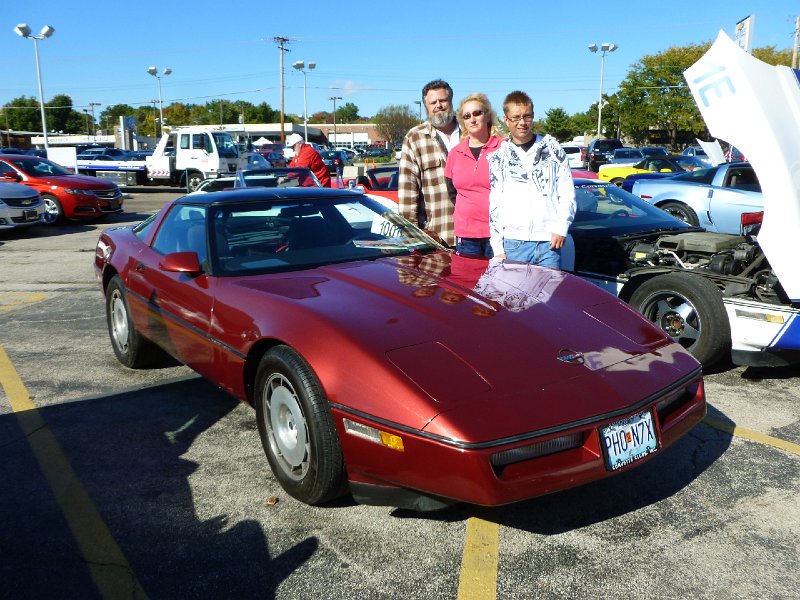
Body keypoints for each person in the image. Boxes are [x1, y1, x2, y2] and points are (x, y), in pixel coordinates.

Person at [488, 91, 576, 268]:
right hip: (513, 244)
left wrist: (561, 228)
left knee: (548, 296)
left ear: (533, 116)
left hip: (548, 244)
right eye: (516, 117)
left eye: (527, 116)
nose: (522, 123)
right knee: (514, 296)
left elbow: (567, 193)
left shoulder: (553, 149)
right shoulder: (499, 157)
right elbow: (495, 203)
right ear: (506, 120)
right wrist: (497, 247)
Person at [398, 79, 461, 247]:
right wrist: (412, 236)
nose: (438, 105)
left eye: (443, 101)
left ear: (451, 102)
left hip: (476, 236)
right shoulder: (415, 137)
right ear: (426, 106)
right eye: (433, 102)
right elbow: (407, 192)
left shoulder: (470, 133)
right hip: (439, 237)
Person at [444, 93, 503, 258]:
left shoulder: (504, 148)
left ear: (488, 115)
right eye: (467, 116)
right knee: (468, 282)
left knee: (499, 282)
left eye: (477, 113)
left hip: (499, 234)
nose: (472, 119)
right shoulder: (455, 153)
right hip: (466, 235)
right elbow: (452, 192)